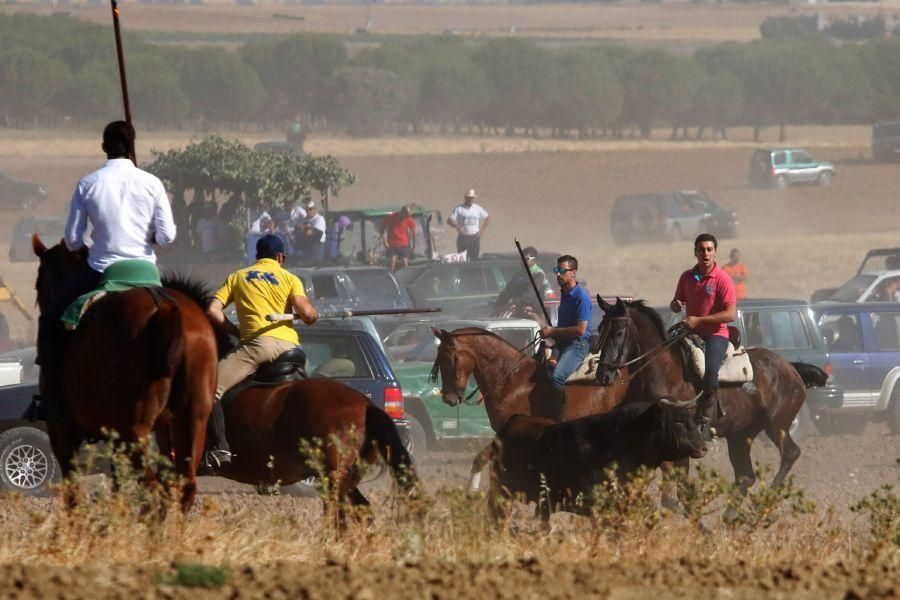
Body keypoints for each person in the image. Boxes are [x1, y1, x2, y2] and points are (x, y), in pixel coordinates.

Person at [40, 121, 176, 421]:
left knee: (50, 320)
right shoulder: (151, 183)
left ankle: (52, 401)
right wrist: (146, 235)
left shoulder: (88, 183)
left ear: (104, 146)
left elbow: (74, 240)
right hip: (147, 273)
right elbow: (167, 237)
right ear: (133, 146)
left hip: (103, 271)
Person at [205, 234, 319, 467]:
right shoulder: (290, 278)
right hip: (291, 347)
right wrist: (313, 315)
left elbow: (212, 310)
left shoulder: (237, 276)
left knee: (209, 389)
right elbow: (307, 314)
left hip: (257, 347)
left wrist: (237, 332)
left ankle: (220, 449)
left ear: (256, 256)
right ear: (280, 257)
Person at [670, 233, 737, 438]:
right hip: (690, 332)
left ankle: (704, 418)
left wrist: (699, 320)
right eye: (701, 250)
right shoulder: (687, 277)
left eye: (709, 249)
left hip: (716, 335)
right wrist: (676, 305)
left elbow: (730, 314)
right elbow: (676, 303)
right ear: (695, 253)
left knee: (710, 370)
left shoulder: (723, 279)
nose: (705, 253)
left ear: (715, 253)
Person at [538, 255, 592, 407]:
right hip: (562, 344)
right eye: (557, 270)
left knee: (557, 377)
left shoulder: (581, 297)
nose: (558, 274)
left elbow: (581, 330)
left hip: (577, 345)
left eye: (562, 270)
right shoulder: (564, 293)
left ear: (573, 272)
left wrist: (553, 332)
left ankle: (561, 415)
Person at [493, 246, 546, 317]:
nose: (523, 261)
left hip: (532, 309)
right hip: (518, 307)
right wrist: (497, 305)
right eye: (522, 259)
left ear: (534, 260)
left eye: (526, 259)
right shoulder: (519, 273)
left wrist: (515, 303)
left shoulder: (538, 274)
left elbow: (530, 293)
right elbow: (508, 290)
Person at [448, 189, 489, 261]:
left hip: (475, 237)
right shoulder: (459, 208)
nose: (470, 199)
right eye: (469, 198)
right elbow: (449, 220)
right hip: (463, 237)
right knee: (463, 259)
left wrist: (481, 230)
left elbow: (487, 217)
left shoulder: (477, 208)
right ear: (465, 198)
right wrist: (457, 227)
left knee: (474, 258)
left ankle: (473, 272)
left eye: (472, 198)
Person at [381, 205, 416, 272]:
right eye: (407, 215)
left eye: (409, 215)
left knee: (404, 262)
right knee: (392, 261)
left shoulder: (409, 219)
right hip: (392, 244)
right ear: (402, 212)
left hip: (403, 244)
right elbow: (383, 229)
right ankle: (390, 275)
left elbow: (414, 233)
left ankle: (406, 274)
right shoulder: (391, 217)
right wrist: (385, 242)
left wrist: (414, 246)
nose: (408, 217)